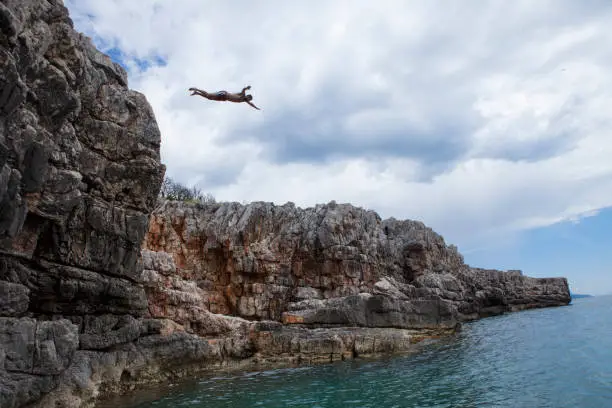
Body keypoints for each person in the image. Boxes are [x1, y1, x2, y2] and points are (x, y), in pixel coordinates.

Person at [188, 85, 261, 110]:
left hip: (224, 98)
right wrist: (247, 88)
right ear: (247, 96)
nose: (248, 100)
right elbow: (243, 89)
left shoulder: (244, 100)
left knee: (209, 98)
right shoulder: (243, 95)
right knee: (209, 95)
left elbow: (251, 104)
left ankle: (197, 93)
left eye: (249, 100)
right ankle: (196, 89)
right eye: (248, 98)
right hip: (224, 94)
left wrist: (256, 108)